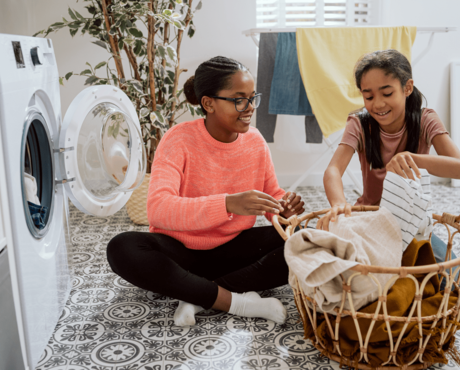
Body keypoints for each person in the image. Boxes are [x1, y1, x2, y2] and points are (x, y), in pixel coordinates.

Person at [107, 56, 305, 326]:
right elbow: (158, 209)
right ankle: (240, 303)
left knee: (306, 240)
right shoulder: (178, 139)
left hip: (233, 250)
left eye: (252, 98)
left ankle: (197, 295)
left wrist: (283, 209)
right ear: (208, 103)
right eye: (238, 100)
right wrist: (227, 204)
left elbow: (272, 193)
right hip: (180, 252)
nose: (249, 108)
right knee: (122, 247)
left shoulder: (255, 141)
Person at [318, 49, 460, 283]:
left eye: (386, 93)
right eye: (369, 96)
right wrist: (339, 205)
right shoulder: (359, 123)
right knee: (346, 277)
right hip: (370, 218)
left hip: (413, 223)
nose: (378, 104)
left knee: (451, 281)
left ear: (407, 87)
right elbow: (333, 170)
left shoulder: (426, 119)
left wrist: (415, 159)